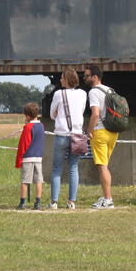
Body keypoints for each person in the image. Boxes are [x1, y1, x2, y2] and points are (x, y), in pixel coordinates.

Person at [48, 67, 87, 210]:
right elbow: (81, 111)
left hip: (62, 135)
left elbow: (52, 114)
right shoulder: (83, 94)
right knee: (73, 167)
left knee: (57, 168)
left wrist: (59, 113)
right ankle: (72, 201)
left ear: (67, 79)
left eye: (62, 77)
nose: (60, 79)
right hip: (77, 135)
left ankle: (54, 201)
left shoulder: (59, 94)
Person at [83, 64, 118, 209]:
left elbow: (96, 114)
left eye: (86, 76)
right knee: (105, 165)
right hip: (113, 131)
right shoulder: (110, 90)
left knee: (102, 166)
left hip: (100, 132)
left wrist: (89, 131)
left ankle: (108, 199)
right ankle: (106, 197)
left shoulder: (93, 92)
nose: (84, 78)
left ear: (95, 77)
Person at [15, 102, 45, 209]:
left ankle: (22, 202)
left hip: (28, 157)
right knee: (38, 180)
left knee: (25, 181)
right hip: (38, 157)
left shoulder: (28, 127)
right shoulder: (41, 126)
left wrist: (18, 160)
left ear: (27, 116)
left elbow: (23, 144)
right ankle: (38, 202)